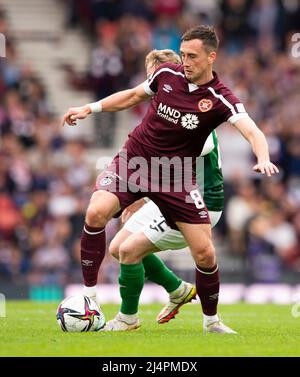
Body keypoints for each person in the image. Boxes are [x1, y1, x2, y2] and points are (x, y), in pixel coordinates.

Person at [63, 25, 279, 335]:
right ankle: (91, 300)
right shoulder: (167, 74)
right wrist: (90, 107)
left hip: (174, 177)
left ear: (211, 57)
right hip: (134, 160)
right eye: (182, 55)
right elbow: (134, 95)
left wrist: (263, 157)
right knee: (97, 212)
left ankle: (212, 323)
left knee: (205, 253)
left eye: (192, 56)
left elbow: (252, 130)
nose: (185, 62)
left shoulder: (220, 98)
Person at [105, 49, 226, 331]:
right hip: (169, 195)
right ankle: (177, 289)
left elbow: (179, 163)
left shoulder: (194, 114)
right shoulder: (166, 115)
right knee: (116, 248)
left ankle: (127, 319)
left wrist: (142, 195)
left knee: (130, 251)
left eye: (155, 78)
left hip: (201, 203)